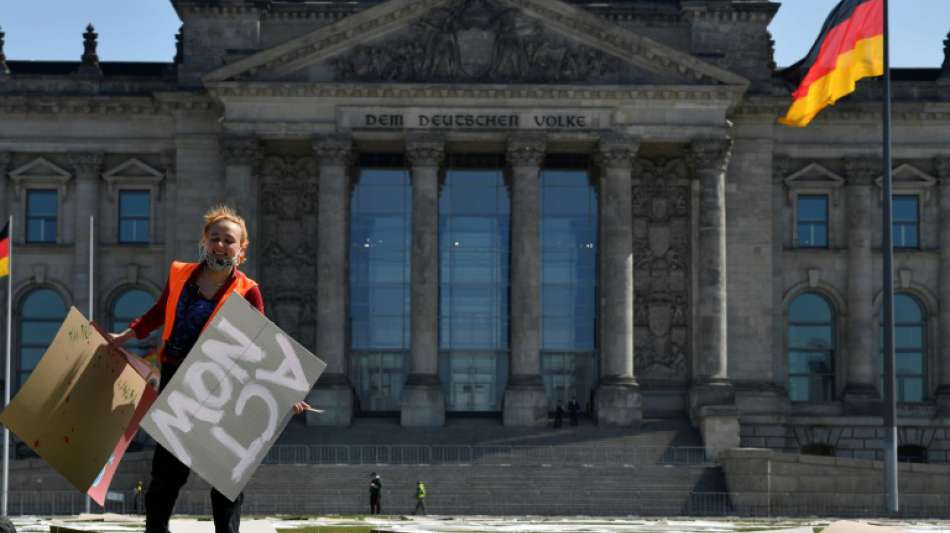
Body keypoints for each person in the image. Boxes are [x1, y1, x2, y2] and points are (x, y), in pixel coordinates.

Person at [109, 205, 309, 533]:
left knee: (226, 470)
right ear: (204, 241)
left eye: (228, 240)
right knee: (167, 471)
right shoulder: (181, 275)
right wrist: (126, 335)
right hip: (178, 379)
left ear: (241, 250)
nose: (220, 245)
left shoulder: (248, 290)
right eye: (214, 237)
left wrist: (284, 391)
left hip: (223, 383)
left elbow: (262, 344)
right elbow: (157, 313)